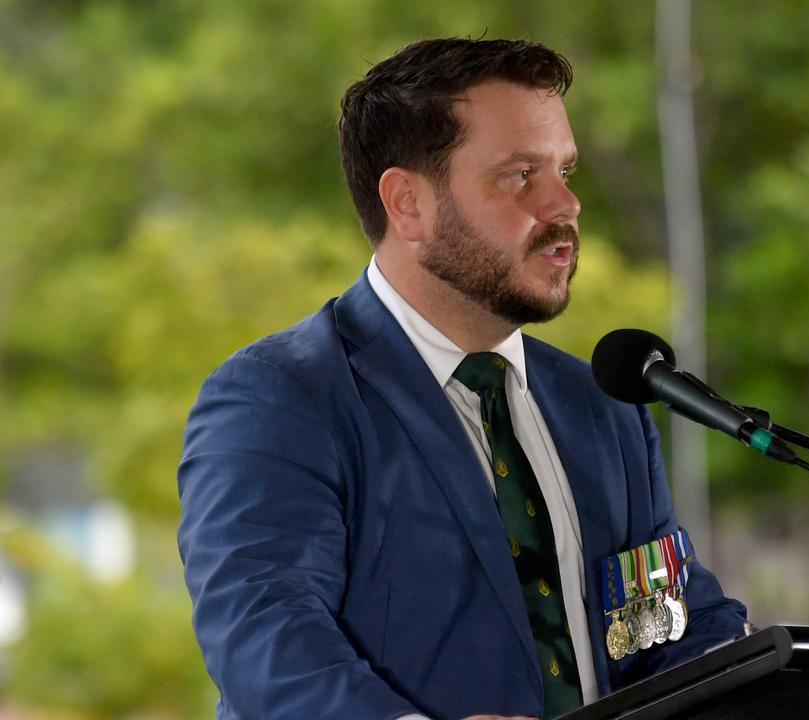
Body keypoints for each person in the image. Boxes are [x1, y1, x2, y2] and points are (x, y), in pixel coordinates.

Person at [176, 37, 748, 720]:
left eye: (566, 171)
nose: (566, 205)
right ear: (407, 204)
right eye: (520, 176)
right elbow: (264, 639)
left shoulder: (604, 407)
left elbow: (666, 628)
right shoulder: (281, 397)